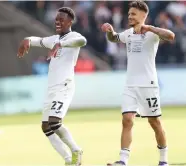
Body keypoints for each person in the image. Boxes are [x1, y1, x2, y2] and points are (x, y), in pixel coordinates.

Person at [101, 1, 175, 166]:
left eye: (133, 14)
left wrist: (150, 28)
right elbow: (113, 38)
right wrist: (110, 31)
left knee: (154, 122)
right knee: (127, 119)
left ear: (143, 16)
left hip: (148, 85)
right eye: (129, 14)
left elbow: (171, 36)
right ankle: (123, 160)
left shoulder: (152, 34)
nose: (130, 16)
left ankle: (163, 160)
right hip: (130, 85)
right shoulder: (128, 33)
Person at [17, 7, 86, 166]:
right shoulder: (53, 39)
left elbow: (83, 41)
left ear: (70, 22)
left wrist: (61, 44)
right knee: (46, 127)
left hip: (64, 86)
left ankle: (76, 150)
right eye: (56, 19)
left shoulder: (73, 37)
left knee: (55, 122)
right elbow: (38, 40)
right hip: (51, 89)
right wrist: (26, 39)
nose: (58, 22)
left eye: (61, 19)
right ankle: (68, 160)